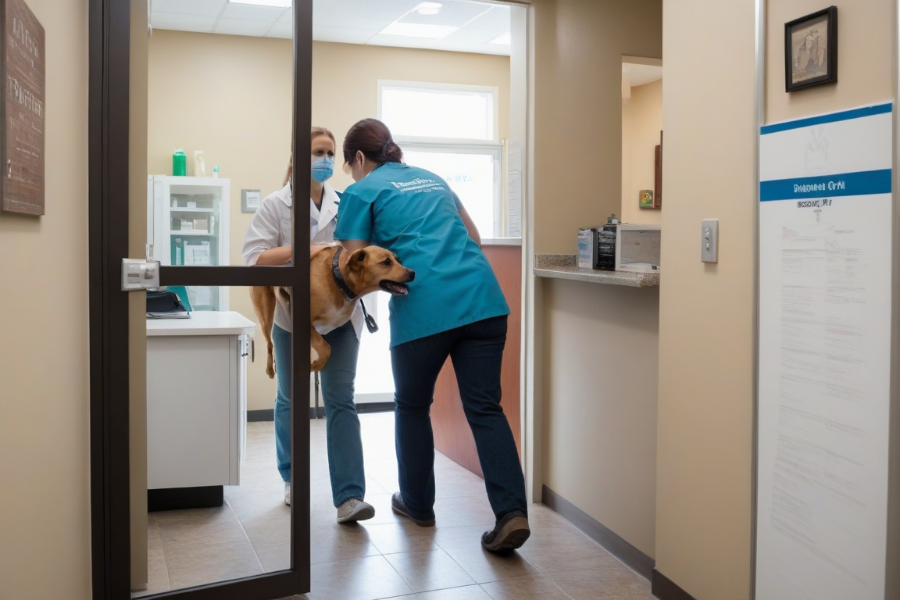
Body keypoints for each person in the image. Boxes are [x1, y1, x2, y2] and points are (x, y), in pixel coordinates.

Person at [334, 118, 530, 552]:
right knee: (484, 408)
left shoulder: (362, 190)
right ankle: (511, 512)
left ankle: (419, 505)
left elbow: (350, 264)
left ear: (359, 159)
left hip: (425, 308)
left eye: (349, 165)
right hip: (482, 299)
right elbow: (474, 238)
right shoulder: (434, 179)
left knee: (412, 406)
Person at [242, 127, 375, 524]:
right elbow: (254, 259)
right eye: (319, 152)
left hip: (343, 317)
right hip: (292, 316)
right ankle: (292, 478)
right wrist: (310, 249)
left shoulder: (347, 201)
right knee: (291, 397)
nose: (327, 160)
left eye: (331, 153)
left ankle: (350, 497)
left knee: (341, 399)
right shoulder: (274, 205)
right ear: (299, 158)